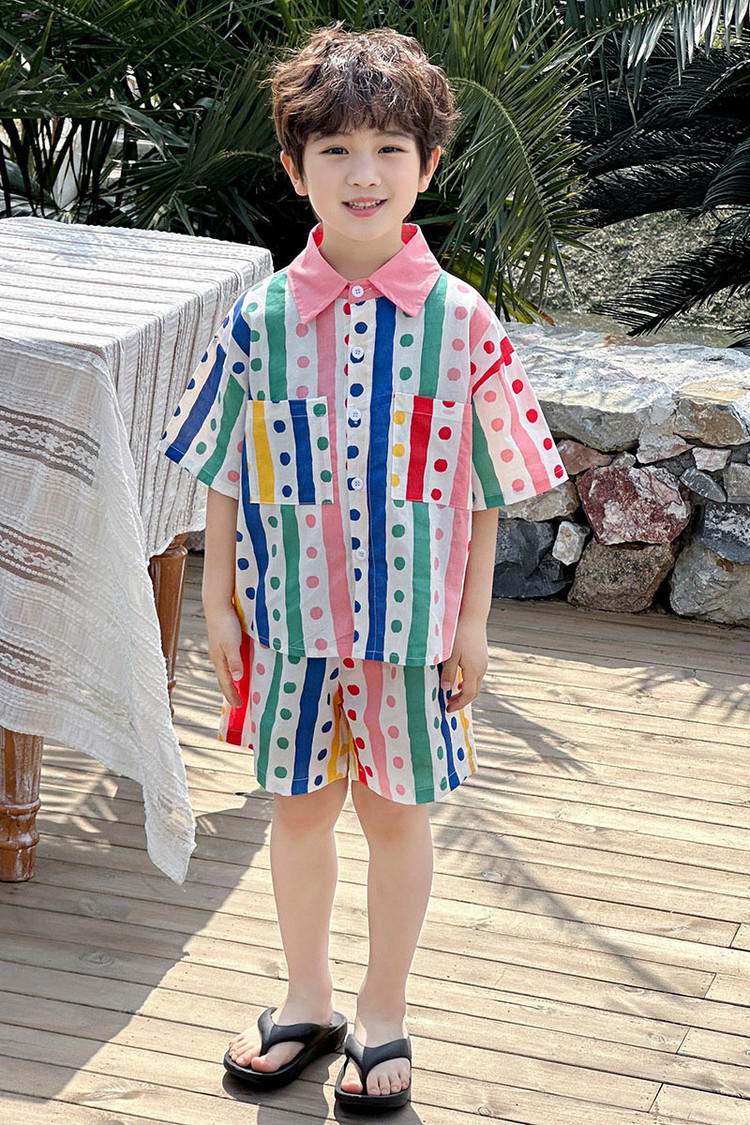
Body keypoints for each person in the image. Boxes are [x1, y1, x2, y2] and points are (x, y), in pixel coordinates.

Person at [161, 24, 567, 1113]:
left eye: (389, 148)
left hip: (411, 634)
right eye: (334, 149)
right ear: (295, 169)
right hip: (287, 626)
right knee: (297, 811)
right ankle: (307, 998)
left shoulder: (461, 322)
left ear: (427, 166)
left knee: (397, 816)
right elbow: (225, 466)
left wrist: (473, 623)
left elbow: (485, 487)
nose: (363, 172)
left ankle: (384, 1013)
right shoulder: (259, 321)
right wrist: (217, 600)